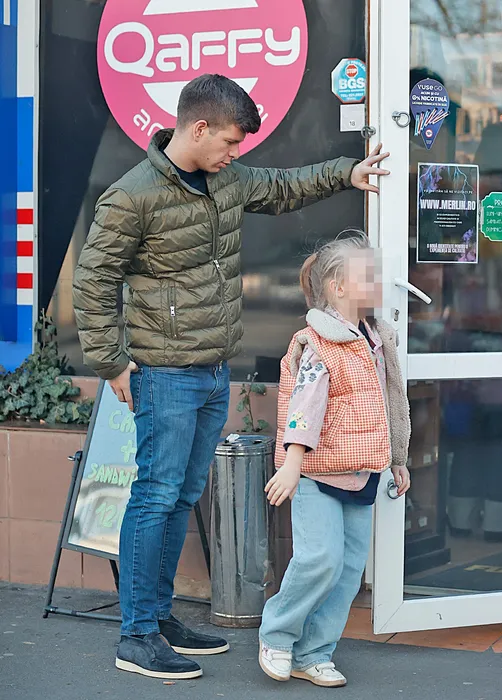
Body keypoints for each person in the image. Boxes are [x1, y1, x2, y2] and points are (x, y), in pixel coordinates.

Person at [72, 74, 391, 681]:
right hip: (164, 373)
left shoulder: (227, 179)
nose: (235, 153)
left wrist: (346, 173)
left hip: (214, 370)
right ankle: (136, 636)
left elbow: (283, 186)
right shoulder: (131, 196)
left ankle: (159, 618)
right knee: (156, 496)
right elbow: (92, 280)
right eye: (230, 142)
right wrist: (111, 361)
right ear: (198, 128)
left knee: (181, 496)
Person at [258, 231, 411, 688]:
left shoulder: (375, 339)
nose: (379, 281)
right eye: (370, 275)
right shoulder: (319, 343)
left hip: (362, 472)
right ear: (338, 286)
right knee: (319, 559)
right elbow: (303, 407)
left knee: (346, 572)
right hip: (317, 473)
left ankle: (314, 652)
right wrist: (291, 464)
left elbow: (391, 403)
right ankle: (278, 636)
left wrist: (397, 458)